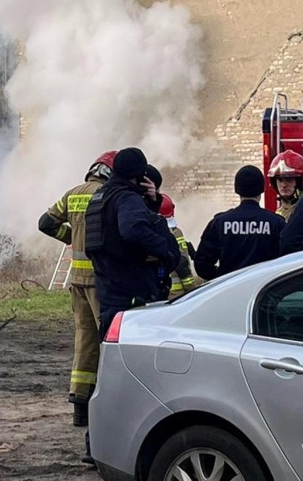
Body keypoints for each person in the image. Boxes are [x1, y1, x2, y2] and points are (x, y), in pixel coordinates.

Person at [37, 151, 116, 428]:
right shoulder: (108, 196)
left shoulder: (72, 194)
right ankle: (111, 401)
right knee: (110, 340)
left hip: (78, 282)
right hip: (100, 280)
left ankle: (80, 407)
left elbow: (45, 223)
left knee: (84, 340)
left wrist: (72, 237)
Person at [84, 147, 181, 339]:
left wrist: (151, 203)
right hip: (131, 292)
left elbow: (113, 234)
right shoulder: (128, 198)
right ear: (139, 175)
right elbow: (132, 230)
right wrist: (165, 250)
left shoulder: (99, 198)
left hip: (107, 291)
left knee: (112, 350)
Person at [194, 165, 285, 279]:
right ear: (262, 189)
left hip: (230, 290)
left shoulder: (219, 223)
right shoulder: (276, 223)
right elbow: (288, 260)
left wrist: (222, 278)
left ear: (237, 189)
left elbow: (202, 264)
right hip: (264, 290)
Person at [159, 195, 200, 298]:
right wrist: (192, 290)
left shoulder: (147, 234)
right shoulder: (175, 232)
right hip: (177, 296)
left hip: (166, 295)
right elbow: (182, 264)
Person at [268, 150, 303, 220]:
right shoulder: (279, 212)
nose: (283, 185)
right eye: (280, 180)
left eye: (289, 179)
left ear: (300, 181)